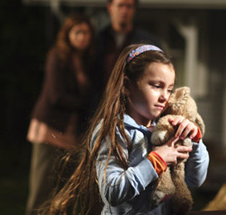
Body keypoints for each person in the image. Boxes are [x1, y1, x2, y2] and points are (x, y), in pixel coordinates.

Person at [41, 44, 209, 215]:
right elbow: (112, 192)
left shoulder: (165, 130)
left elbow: (194, 181)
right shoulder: (114, 131)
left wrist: (195, 142)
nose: (164, 96)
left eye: (169, 89)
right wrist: (156, 161)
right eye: (156, 86)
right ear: (127, 86)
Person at [25, 14, 97, 215]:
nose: (83, 37)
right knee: (41, 188)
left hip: (70, 131)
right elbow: (55, 95)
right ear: (68, 34)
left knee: (64, 191)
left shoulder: (84, 60)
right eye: (78, 32)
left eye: (86, 33)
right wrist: (86, 104)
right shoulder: (58, 56)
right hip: (50, 128)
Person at [97, 0, 161, 91]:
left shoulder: (147, 42)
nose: (124, 11)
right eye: (120, 5)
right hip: (101, 99)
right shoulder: (97, 40)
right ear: (110, 7)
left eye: (129, 7)